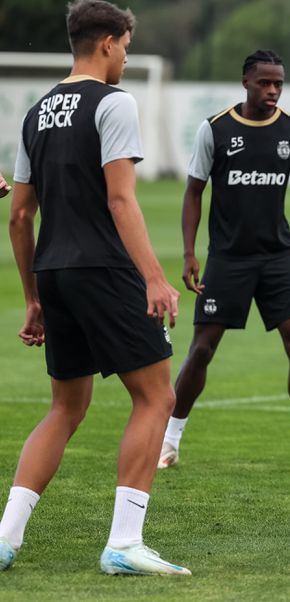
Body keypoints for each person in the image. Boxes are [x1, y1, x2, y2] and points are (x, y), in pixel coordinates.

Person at [1, 0, 189, 575]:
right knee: (157, 396)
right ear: (107, 42)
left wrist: (33, 297)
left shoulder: (36, 113)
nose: (127, 58)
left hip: (54, 273)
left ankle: (6, 539)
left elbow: (18, 216)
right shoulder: (114, 103)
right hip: (104, 271)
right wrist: (155, 278)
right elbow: (120, 198)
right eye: (127, 46)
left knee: (65, 406)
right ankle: (125, 544)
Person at [157, 50, 290, 474]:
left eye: (278, 84)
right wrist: (188, 252)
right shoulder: (215, 129)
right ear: (246, 83)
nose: (272, 91)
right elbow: (194, 192)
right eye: (264, 83)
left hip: (277, 257)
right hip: (228, 258)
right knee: (201, 349)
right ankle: (168, 443)